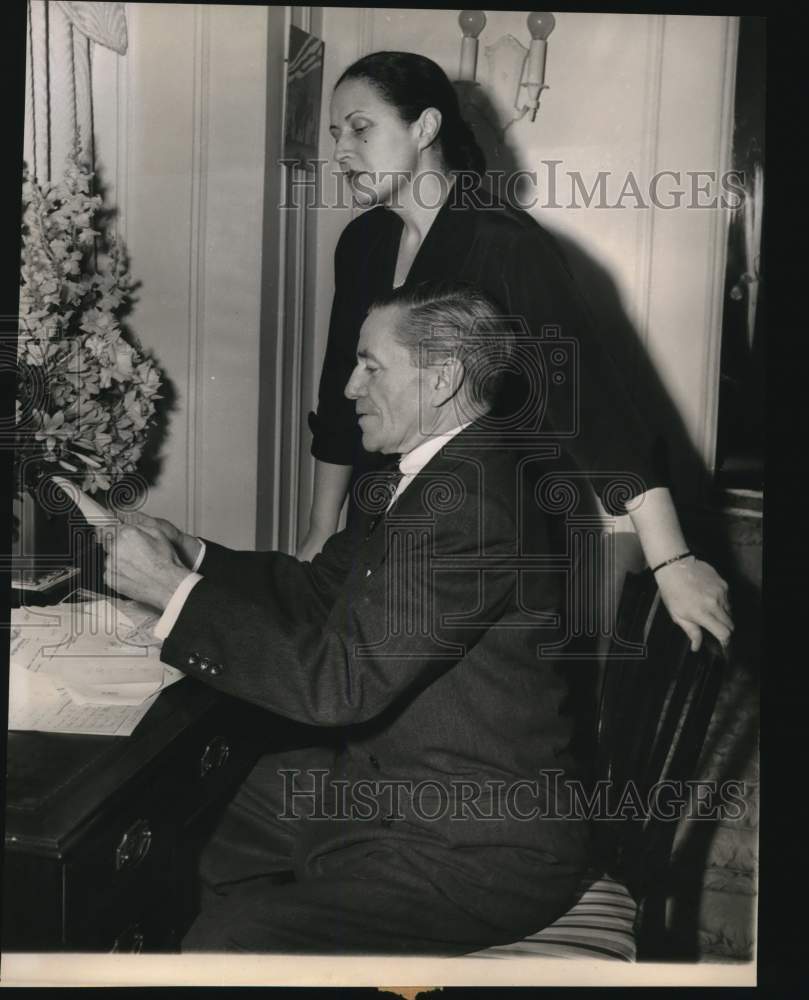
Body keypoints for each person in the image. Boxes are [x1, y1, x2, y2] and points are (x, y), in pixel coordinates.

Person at [103, 281, 591, 954]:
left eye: (371, 366)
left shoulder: (468, 507)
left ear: (441, 376)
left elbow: (339, 686)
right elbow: (317, 589)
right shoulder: (436, 473)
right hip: (395, 790)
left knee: (233, 938)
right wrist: (190, 556)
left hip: (476, 844)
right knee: (189, 809)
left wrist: (170, 591)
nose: (348, 390)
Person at [299, 51, 733, 653]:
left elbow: (596, 411)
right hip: (377, 524)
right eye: (334, 134)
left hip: (483, 534)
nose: (341, 149)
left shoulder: (505, 246)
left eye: (360, 128)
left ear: (425, 128)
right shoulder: (362, 243)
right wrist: (322, 530)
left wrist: (672, 560)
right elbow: (340, 396)